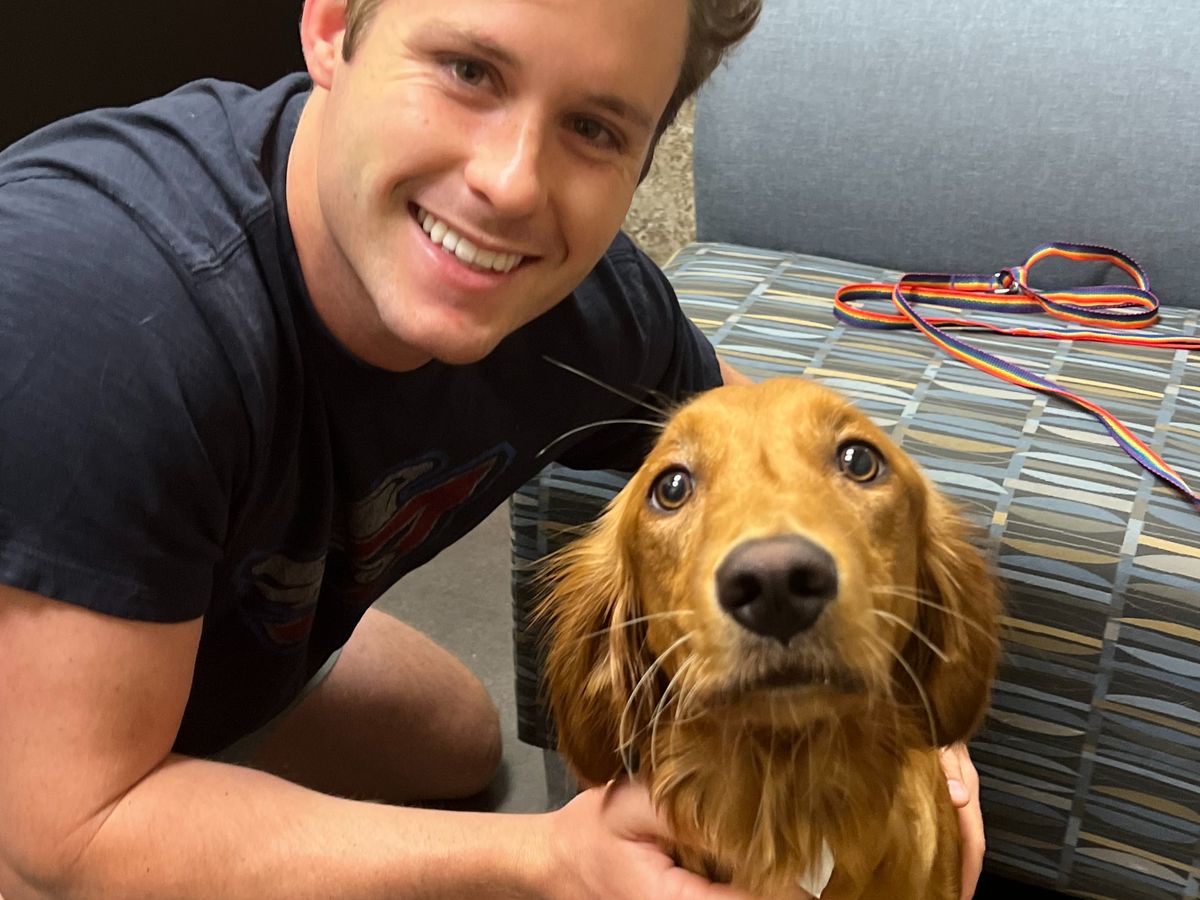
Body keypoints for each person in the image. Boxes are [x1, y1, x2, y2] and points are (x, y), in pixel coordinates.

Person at [0, 0, 984, 897]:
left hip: (217, 624)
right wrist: (547, 856)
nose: (510, 187)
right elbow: (79, 829)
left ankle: (183, 694)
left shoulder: (583, 311)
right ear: (332, 27)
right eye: (470, 71)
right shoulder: (94, 308)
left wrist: (879, 651)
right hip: (53, 766)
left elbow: (754, 433)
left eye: (594, 128)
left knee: (462, 742)